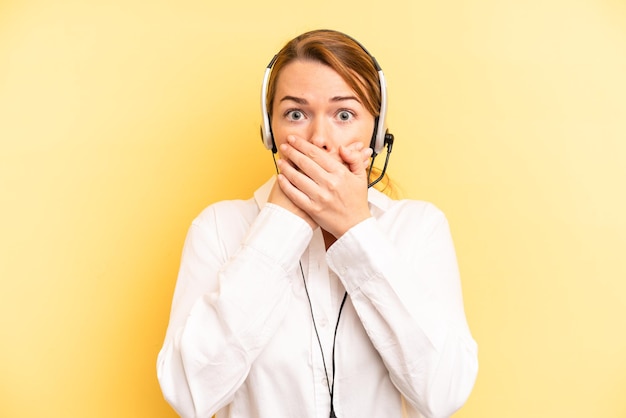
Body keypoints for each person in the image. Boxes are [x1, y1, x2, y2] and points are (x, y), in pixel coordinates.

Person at [157, 29, 478, 418]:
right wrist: (279, 228)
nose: (320, 139)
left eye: (344, 115)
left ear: (376, 132)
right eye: (296, 114)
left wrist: (355, 228)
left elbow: (443, 393)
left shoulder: (418, 228)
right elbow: (188, 393)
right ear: (269, 130)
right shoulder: (218, 229)